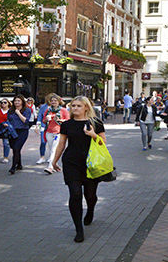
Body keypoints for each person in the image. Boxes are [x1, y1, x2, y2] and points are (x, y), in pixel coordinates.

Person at [50, 96, 106, 243]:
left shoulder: (96, 123)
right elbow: (61, 144)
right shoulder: (67, 125)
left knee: (90, 195)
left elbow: (103, 144)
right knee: (75, 194)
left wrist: (93, 134)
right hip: (71, 162)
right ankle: (79, 229)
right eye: (73, 106)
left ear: (86, 107)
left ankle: (91, 210)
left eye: (79, 106)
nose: (75, 108)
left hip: (91, 163)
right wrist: (54, 161)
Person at [42, 94, 69, 174]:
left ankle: (50, 167)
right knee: (51, 150)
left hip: (59, 132)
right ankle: (55, 164)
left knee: (54, 149)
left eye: (55, 100)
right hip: (49, 131)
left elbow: (68, 120)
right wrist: (46, 119)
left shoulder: (63, 110)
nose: (53, 102)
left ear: (59, 101)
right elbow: (44, 121)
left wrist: (60, 120)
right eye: (52, 100)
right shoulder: (48, 110)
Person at [5, 94, 32, 174]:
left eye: (18, 101)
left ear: (22, 102)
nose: (16, 102)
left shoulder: (27, 110)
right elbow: (8, 119)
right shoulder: (10, 111)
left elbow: (26, 121)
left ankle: (13, 167)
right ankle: (19, 164)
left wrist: (18, 113)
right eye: (15, 101)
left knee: (17, 148)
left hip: (22, 131)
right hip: (13, 131)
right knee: (15, 148)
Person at [35, 97, 49, 164]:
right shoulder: (43, 107)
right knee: (43, 142)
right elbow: (40, 116)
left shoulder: (57, 108)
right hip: (44, 126)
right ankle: (42, 157)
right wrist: (37, 126)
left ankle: (52, 157)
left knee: (53, 144)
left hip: (54, 128)